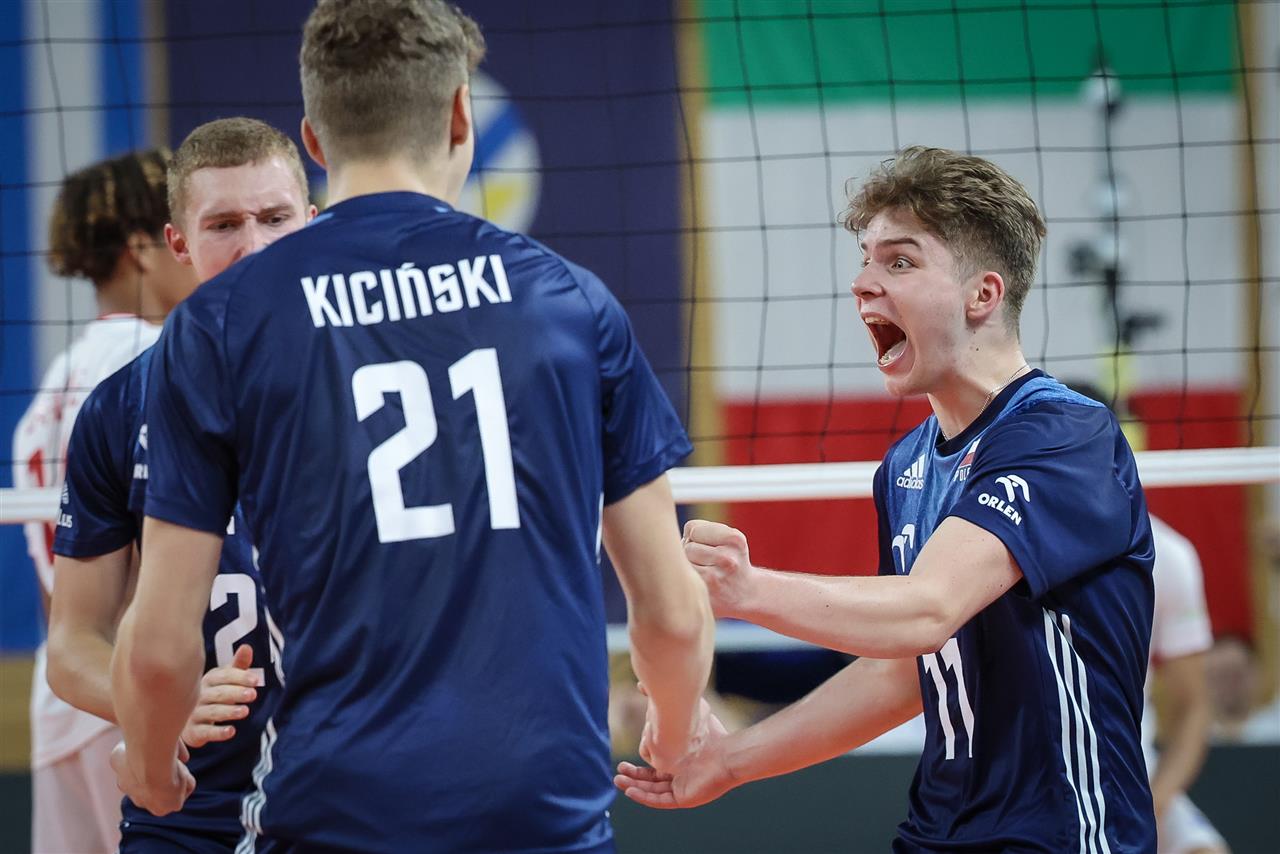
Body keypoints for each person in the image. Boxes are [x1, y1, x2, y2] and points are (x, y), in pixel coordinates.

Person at [110, 1, 714, 851]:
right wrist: (676, 732)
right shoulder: (570, 301)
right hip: (544, 815)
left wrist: (149, 766)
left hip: (337, 811)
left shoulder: (220, 323)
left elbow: (161, 643)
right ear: (462, 113)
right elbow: (673, 615)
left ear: (313, 140)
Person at [617, 147, 1158, 853]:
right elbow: (900, 672)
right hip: (937, 831)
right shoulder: (906, 464)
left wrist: (742, 589)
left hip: (1063, 835)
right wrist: (729, 761)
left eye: (899, 262)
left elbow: (926, 611)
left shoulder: (1067, 435)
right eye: (866, 260)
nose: (863, 283)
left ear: (982, 296)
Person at [46, 117, 315, 853]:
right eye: (224, 225)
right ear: (178, 244)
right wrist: (156, 703)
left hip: (347, 795)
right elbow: (71, 642)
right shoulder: (118, 404)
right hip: (190, 806)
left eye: (275, 218)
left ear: (311, 224)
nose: (254, 246)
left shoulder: (374, 383)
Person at [11, 148, 195, 854]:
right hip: (133, 696)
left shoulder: (57, 377)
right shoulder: (150, 363)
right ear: (145, 248)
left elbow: (60, 581)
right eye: (180, 233)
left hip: (62, 694)